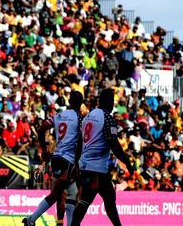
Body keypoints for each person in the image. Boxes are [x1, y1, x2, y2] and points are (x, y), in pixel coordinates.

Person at [70, 89, 135, 226]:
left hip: (86, 165)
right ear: (110, 102)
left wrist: (77, 162)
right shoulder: (107, 117)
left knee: (86, 200)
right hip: (97, 168)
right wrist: (128, 163)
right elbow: (114, 145)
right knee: (108, 198)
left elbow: (80, 142)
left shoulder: (88, 116)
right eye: (112, 101)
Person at [25, 91, 83, 226]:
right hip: (68, 160)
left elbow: (41, 129)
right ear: (80, 104)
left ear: (69, 101)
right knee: (57, 194)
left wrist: (44, 150)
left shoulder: (58, 115)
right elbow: (80, 142)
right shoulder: (80, 119)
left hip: (56, 158)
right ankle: (31, 219)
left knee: (71, 193)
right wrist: (77, 162)